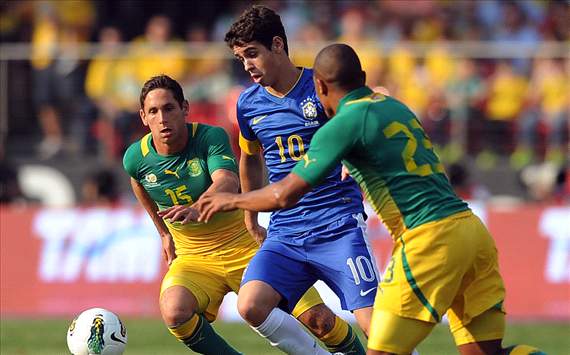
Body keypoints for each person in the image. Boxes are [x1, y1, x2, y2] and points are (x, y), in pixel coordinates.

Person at [192, 44, 545, 355]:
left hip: (429, 240)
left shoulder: (342, 125)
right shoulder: (394, 107)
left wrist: (233, 201)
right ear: (362, 76)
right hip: (471, 230)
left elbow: (285, 193)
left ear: (319, 86)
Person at [160, 6, 376, 354]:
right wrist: (250, 219)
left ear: (278, 44)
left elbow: (364, 112)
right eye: (240, 57)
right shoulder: (247, 104)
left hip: (337, 223)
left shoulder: (320, 87)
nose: (246, 64)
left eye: (252, 54)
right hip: (286, 230)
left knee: (373, 323)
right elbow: (250, 157)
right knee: (251, 305)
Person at [123, 74, 362, 354]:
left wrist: (200, 205)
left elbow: (227, 180)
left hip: (246, 246)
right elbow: (137, 182)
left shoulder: (209, 137)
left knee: (319, 320)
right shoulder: (135, 158)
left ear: (184, 108)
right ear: (143, 116)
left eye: (169, 108)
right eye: (153, 111)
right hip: (194, 258)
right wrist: (163, 233)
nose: (162, 118)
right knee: (174, 311)